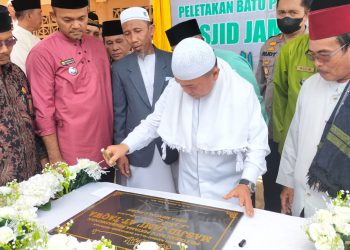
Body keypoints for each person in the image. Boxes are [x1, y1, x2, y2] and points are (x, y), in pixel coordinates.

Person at [105, 38, 269, 216]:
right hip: (188, 192)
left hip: (229, 194)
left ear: (214, 74)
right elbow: (154, 122)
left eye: (191, 86)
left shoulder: (241, 92)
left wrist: (246, 182)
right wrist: (125, 145)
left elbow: (257, 143)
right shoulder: (177, 87)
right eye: (182, 85)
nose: (185, 91)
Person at [276, 0, 350, 217]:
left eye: (324, 55)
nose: (317, 63)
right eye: (313, 54)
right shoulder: (310, 85)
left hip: (340, 212)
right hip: (302, 200)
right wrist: (288, 183)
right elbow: (294, 138)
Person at [26, 0, 113, 171]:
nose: (76, 25)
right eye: (67, 20)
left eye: (82, 18)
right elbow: (43, 111)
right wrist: (55, 157)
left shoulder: (98, 46)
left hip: (106, 147)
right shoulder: (42, 53)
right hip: (70, 153)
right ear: (53, 16)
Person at [112, 7, 178, 192]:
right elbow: (119, 112)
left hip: (170, 145)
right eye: (127, 33)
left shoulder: (172, 60)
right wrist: (121, 151)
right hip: (137, 149)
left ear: (152, 29)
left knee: (174, 200)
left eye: (138, 31)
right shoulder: (120, 68)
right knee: (143, 203)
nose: (133, 39)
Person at [255, 0, 311, 212]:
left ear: (305, 14)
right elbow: (259, 87)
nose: (286, 16)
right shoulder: (269, 46)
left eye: (293, 12)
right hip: (270, 133)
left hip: (298, 134)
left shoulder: (312, 46)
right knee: (271, 190)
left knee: (297, 194)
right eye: (282, 12)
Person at [165, 18, 268, 123]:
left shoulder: (232, 61)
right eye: (174, 51)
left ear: (198, 40)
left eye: (180, 48)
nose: (178, 54)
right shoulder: (184, 72)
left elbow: (255, 103)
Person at [0, 5, 46, 185]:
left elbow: (32, 117)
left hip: (32, 178)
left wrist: (42, 157)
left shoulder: (17, 73)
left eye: (9, 42)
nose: (5, 49)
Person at [10, 0, 42, 74]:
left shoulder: (34, 38)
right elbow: (23, 71)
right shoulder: (15, 39)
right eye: (39, 13)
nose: (42, 17)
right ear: (29, 16)